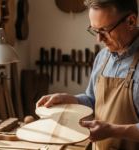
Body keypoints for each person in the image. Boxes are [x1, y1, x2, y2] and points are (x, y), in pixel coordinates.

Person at [36, 0, 139, 149]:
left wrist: (112, 131)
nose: (99, 39)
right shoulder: (103, 57)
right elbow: (93, 101)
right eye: (95, 30)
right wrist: (67, 98)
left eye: (105, 30)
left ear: (130, 21)